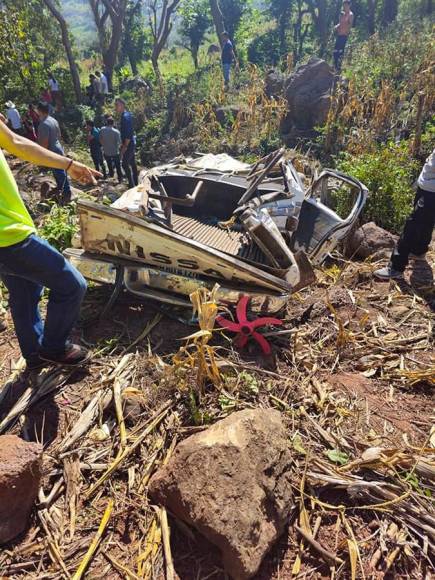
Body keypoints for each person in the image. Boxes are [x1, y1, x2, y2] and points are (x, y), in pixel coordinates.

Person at [0, 113, 101, 369]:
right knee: (71, 285)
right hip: (10, 235)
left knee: (24, 293)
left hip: (8, 235)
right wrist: (69, 164)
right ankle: (54, 348)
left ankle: (34, 356)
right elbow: (18, 144)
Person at [374, 149, 435, 280]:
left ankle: (396, 267)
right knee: (427, 222)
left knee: (412, 225)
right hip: (426, 185)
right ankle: (419, 251)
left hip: (432, 191)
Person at [36, 102, 72, 203]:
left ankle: (67, 192)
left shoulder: (43, 124)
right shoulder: (53, 120)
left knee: (59, 172)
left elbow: (45, 142)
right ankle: (60, 187)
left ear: (39, 110)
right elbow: (59, 135)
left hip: (51, 150)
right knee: (58, 170)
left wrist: (42, 154)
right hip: (58, 147)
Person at [115, 98, 138, 188]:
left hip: (129, 143)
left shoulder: (125, 117)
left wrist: (125, 146)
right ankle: (136, 182)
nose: (115, 107)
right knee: (132, 162)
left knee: (124, 164)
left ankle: (132, 185)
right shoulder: (127, 114)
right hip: (130, 142)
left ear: (122, 105)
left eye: (117, 105)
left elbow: (128, 133)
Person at [99, 117, 123, 182]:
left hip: (106, 151)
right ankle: (120, 179)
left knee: (109, 164)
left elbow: (100, 139)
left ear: (107, 122)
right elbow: (120, 143)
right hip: (115, 151)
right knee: (118, 166)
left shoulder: (102, 129)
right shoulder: (116, 132)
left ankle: (111, 175)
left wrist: (104, 145)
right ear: (113, 123)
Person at [333, 0, 354, 71]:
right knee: (335, 51)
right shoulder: (342, 14)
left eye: (345, 5)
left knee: (340, 52)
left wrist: (346, 32)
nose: (344, 7)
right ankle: (335, 66)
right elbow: (340, 23)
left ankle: (339, 68)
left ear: (349, 5)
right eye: (343, 5)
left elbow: (349, 25)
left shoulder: (350, 15)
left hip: (344, 36)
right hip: (339, 35)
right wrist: (337, 26)